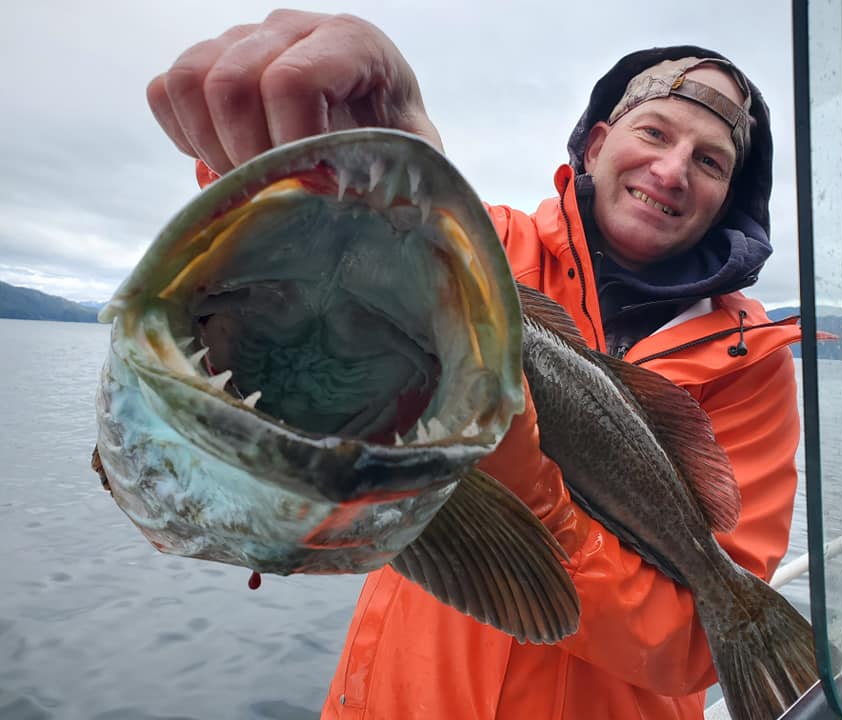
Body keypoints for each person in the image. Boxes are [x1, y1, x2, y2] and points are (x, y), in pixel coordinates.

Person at [148, 10, 803, 719]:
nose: (672, 171)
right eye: (655, 133)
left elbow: (692, 649)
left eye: (710, 161)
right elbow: (319, 246)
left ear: (727, 197)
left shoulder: (754, 368)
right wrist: (328, 138)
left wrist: (542, 504)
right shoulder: (477, 245)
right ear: (597, 144)